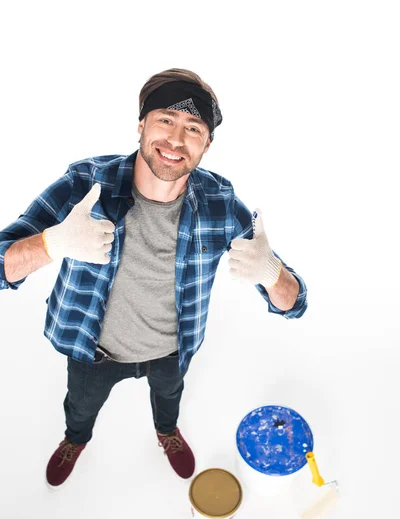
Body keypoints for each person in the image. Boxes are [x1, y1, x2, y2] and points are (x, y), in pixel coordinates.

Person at [0, 68, 307, 488]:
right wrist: (51, 243)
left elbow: (295, 303)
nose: (176, 140)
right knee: (81, 406)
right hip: (94, 352)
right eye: (166, 120)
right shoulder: (85, 184)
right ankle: (76, 438)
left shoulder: (221, 204)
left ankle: (166, 432)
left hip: (171, 353)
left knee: (169, 399)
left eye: (193, 128)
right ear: (141, 125)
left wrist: (272, 273)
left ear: (207, 145)